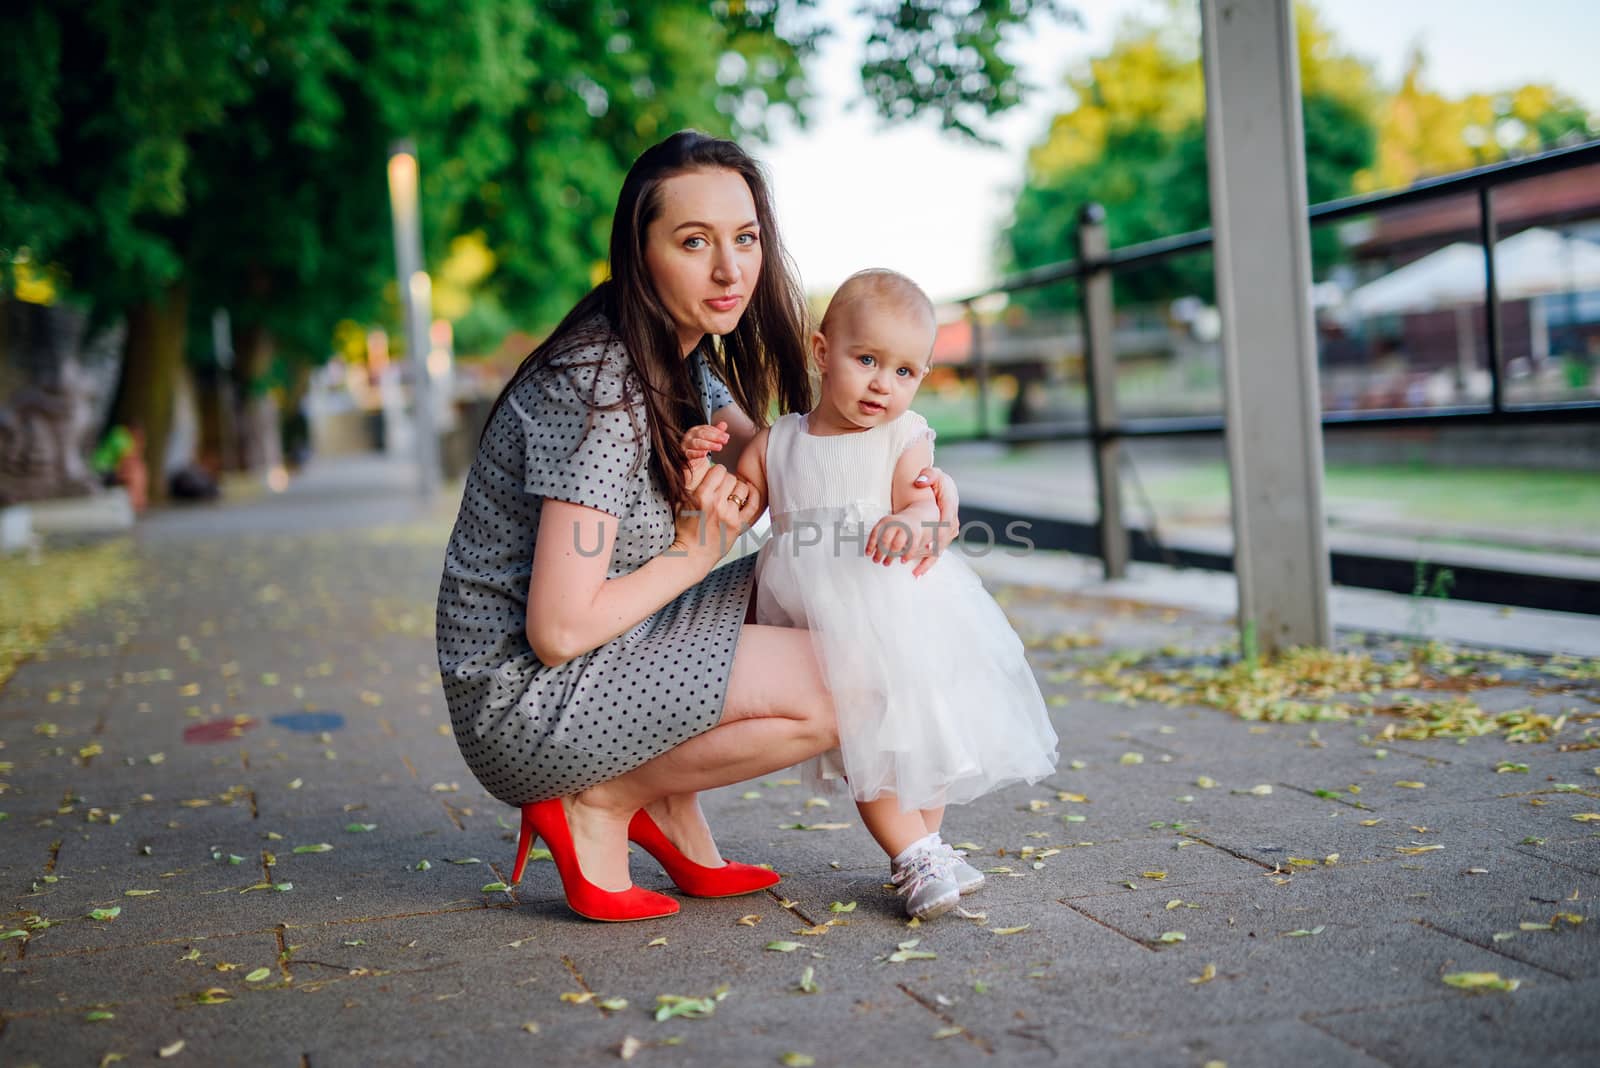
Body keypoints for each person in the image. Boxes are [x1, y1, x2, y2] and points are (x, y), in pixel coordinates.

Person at [434, 132, 961, 922]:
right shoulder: (599, 387)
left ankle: (664, 801)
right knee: (847, 676)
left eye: (745, 239)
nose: (730, 269)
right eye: (694, 242)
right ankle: (601, 800)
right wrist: (694, 548)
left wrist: (922, 497)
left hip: (616, 647)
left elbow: (804, 481)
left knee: (849, 590)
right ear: (639, 253)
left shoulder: (684, 363)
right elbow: (556, 629)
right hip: (527, 701)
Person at [698, 269, 1058, 919]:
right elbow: (736, 501)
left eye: (904, 372)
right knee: (871, 739)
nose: (881, 385)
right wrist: (703, 464)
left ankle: (928, 845)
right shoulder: (781, 442)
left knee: (930, 736)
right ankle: (911, 855)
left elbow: (925, 503)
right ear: (821, 352)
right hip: (823, 625)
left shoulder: (903, 434)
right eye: (866, 360)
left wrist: (910, 521)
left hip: (903, 610)